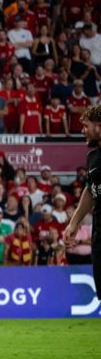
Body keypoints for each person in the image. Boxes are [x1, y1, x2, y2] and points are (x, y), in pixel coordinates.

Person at [63, 105, 101, 299]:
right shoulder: (93, 157)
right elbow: (90, 190)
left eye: (86, 126)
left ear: (99, 127)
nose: (82, 130)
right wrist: (74, 223)